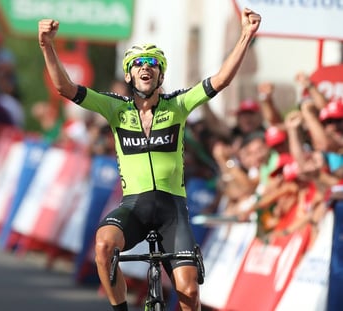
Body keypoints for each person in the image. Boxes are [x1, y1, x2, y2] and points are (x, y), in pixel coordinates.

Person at [38, 7, 261, 311]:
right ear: (129, 74)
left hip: (173, 210)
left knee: (189, 293)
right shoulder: (115, 108)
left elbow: (220, 80)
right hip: (134, 206)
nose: (146, 67)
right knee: (104, 245)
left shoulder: (178, 104)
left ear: (160, 74)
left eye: (153, 64)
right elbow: (65, 88)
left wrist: (246, 35)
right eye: (139, 63)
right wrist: (47, 45)